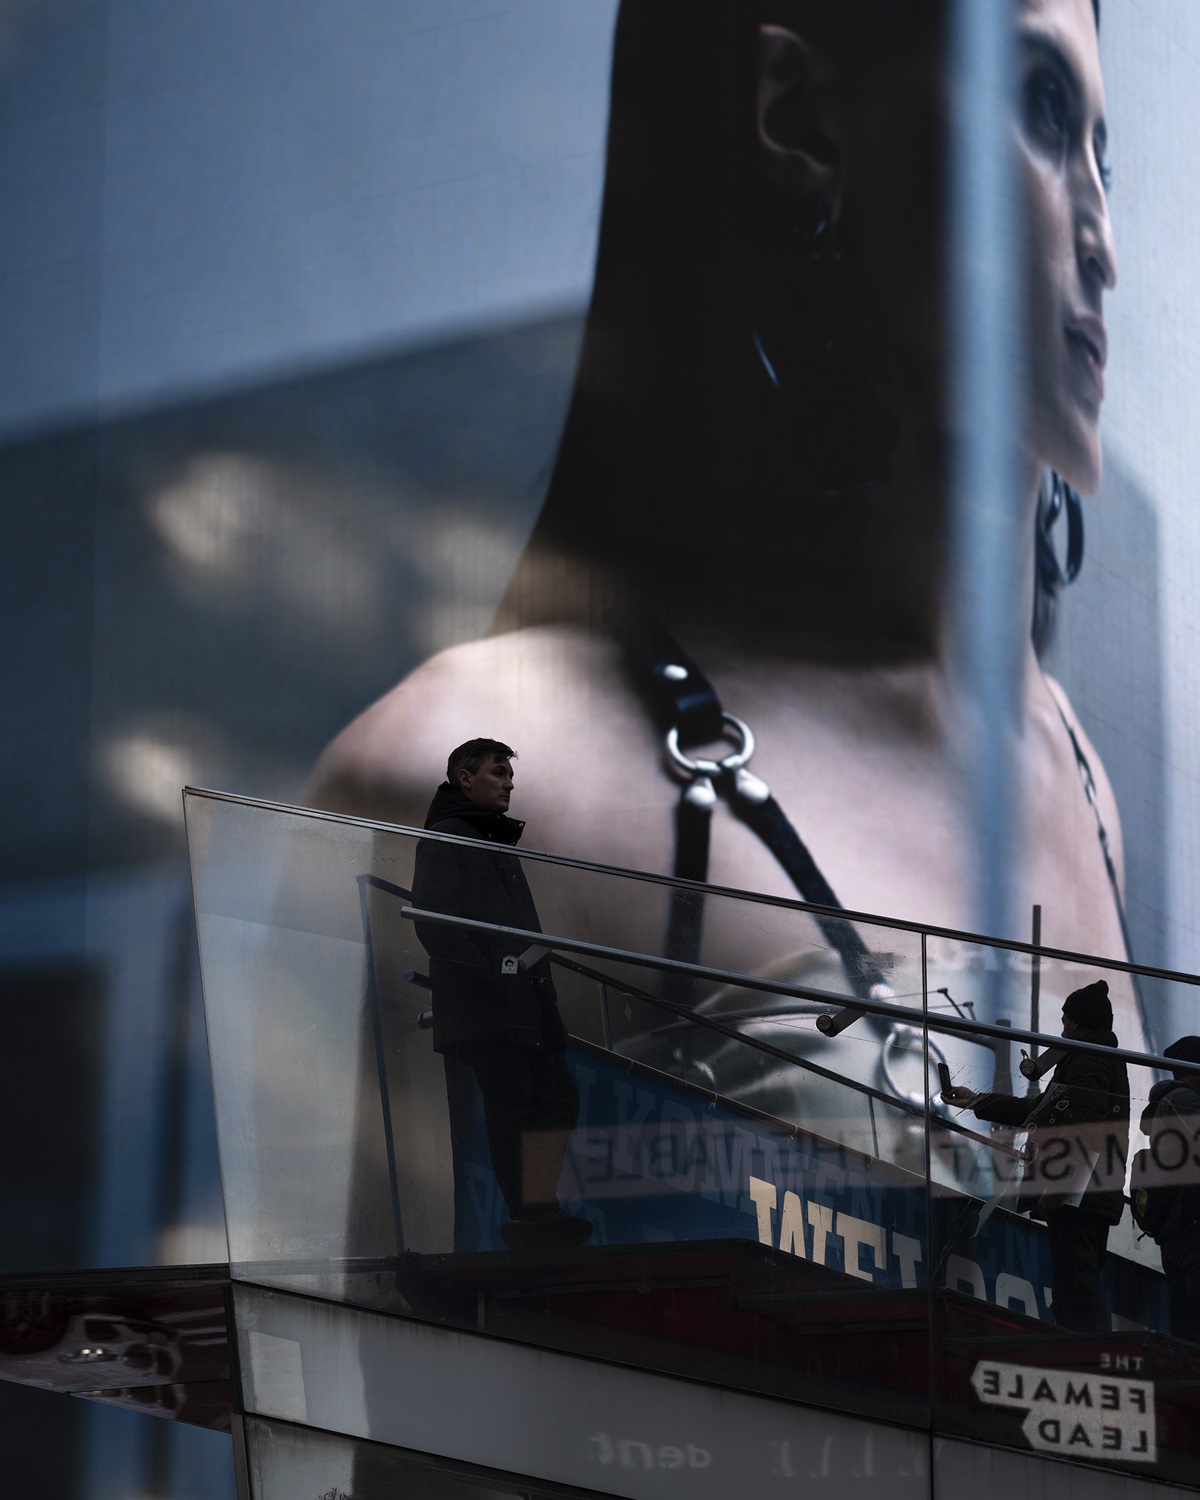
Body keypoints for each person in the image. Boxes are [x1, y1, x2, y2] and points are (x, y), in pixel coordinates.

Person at [308, 2, 1141, 1121]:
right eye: (1041, 106)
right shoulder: (482, 776)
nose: (1105, 246)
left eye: (1102, 154)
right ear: (799, 117)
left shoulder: (1074, 776)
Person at [411, 738, 591, 1249]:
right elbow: (434, 922)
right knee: (514, 1105)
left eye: (510, 774)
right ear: (465, 778)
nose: (509, 783)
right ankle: (531, 1213)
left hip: (523, 1001)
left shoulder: (490, 839)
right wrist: (496, 971)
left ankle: (538, 1207)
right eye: (498, 773)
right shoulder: (450, 836)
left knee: (555, 1099)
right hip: (491, 1003)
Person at [943, 979, 1129, 1332]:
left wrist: (1059, 1188)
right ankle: (1085, 1351)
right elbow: (1041, 1111)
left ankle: (1086, 1356)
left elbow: (1085, 1130)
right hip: (1089, 1193)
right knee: (1076, 1286)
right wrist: (977, 1101)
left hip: (1078, 1196)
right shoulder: (1093, 1060)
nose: (1061, 1028)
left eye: (1065, 1020)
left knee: (1076, 1292)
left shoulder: (1088, 1061)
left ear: (1076, 1023)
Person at [1139, 1035, 1200, 1343]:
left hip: (1176, 1230)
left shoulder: (1169, 1101)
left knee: (1186, 1335)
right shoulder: (1184, 1100)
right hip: (1191, 1226)